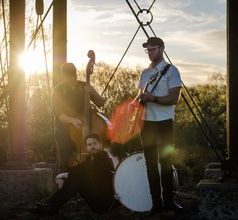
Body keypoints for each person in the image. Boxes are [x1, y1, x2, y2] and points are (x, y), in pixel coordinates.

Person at [132, 37, 183, 216]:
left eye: (153, 49)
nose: (150, 53)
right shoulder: (145, 73)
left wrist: (152, 99)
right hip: (147, 124)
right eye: (148, 50)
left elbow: (174, 99)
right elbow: (141, 95)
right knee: (150, 164)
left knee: (166, 163)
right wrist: (136, 102)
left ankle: (170, 202)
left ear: (161, 49)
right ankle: (156, 204)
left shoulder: (172, 71)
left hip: (164, 123)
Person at [29, 133, 121, 214]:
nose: (92, 146)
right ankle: (50, 204)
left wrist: (66, 175)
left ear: (100, 145)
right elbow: (74, 169)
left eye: (95, 143)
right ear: (86, 147)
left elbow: (91, 174)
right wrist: (61, 175)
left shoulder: (104, 159)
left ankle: (52, 206)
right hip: (97, 200)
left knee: (78, 180)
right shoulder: (90, 159)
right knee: (75, 177)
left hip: (105, 204)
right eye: (89, 145)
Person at [52, 63, 105, 172]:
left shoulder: (84, 86)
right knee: (65, 161)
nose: (72, 78)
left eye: (74, 75)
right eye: (69, 76)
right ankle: (64, 185)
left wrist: (93, 91)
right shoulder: (58, 90)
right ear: (63, 76)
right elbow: (58, 113)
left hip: (84, 128)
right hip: (64, 129)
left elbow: (101, 102)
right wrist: (73, 120)